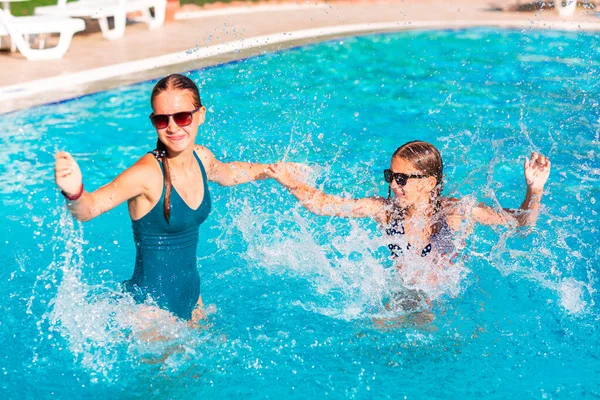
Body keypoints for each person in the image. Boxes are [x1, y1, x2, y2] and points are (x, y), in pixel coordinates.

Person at [54, 73, 283, 323]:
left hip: (192, 301)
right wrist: (74, 191)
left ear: (201, 115)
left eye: (183, 117)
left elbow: (229, 173)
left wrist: (273, 170)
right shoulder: (147, 174)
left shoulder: (201, 158)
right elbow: (89, 209)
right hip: (151, 314)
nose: (173, 127)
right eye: (162, 120)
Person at [266, 140, 551, 311]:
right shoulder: (386, 211)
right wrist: (290, 182)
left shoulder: (457, 212)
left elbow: (520, 225)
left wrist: (534, 191)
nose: (393, 184)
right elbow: (323, 205)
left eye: (402, 178)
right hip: (402, 294)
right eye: (390, 175)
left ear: (428, 183)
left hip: (446, 302)